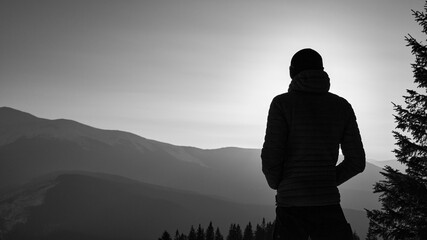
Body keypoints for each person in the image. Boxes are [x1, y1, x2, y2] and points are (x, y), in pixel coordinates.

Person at [261, 48, 366, 240]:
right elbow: (357, 161)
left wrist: (281, 184)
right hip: (328, 204)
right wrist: (325, 181)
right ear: (322, 71)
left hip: (291, 207)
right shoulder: (342, 106)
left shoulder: (282, 104)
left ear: (292, 72)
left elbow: (271, 156)